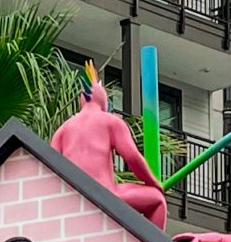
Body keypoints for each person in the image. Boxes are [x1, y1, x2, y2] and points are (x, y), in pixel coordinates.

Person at [50, 75, 169, 227]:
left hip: (71, 199)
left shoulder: (62, 130)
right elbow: (132, 158)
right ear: (102, 98)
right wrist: (154, 183)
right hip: (105, 194)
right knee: (157, 200)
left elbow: (49, 168)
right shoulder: (110, 121)